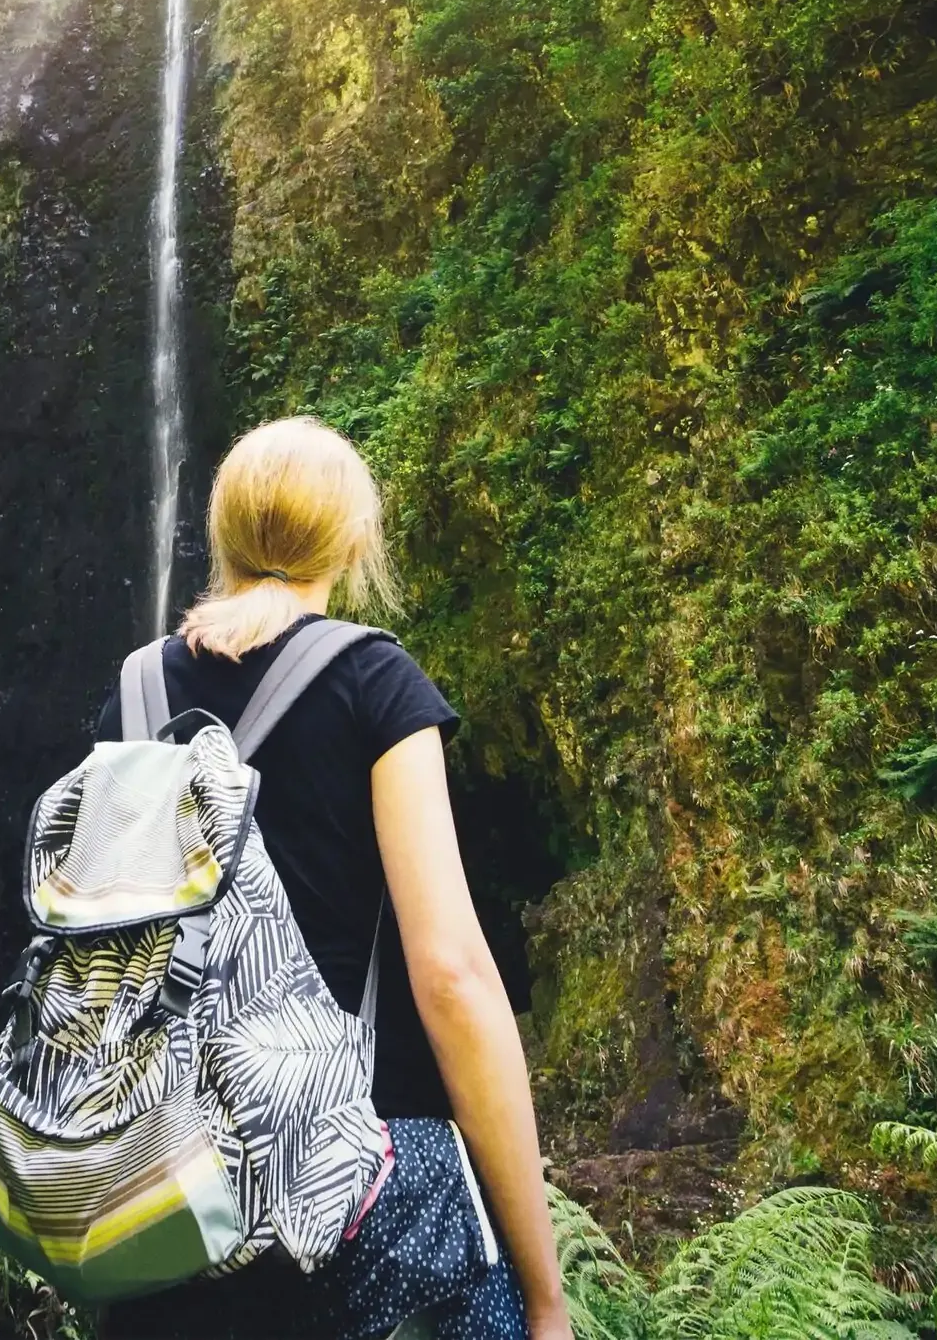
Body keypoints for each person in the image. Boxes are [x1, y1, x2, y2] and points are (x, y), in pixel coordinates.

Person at [92, 417, 571, 1340]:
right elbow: (452, 977)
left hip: (165, 1200)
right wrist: (547, 1299)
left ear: (223, 539)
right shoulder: (374, 685)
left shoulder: (133, 695)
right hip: (346, 1209)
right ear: (351, 540)